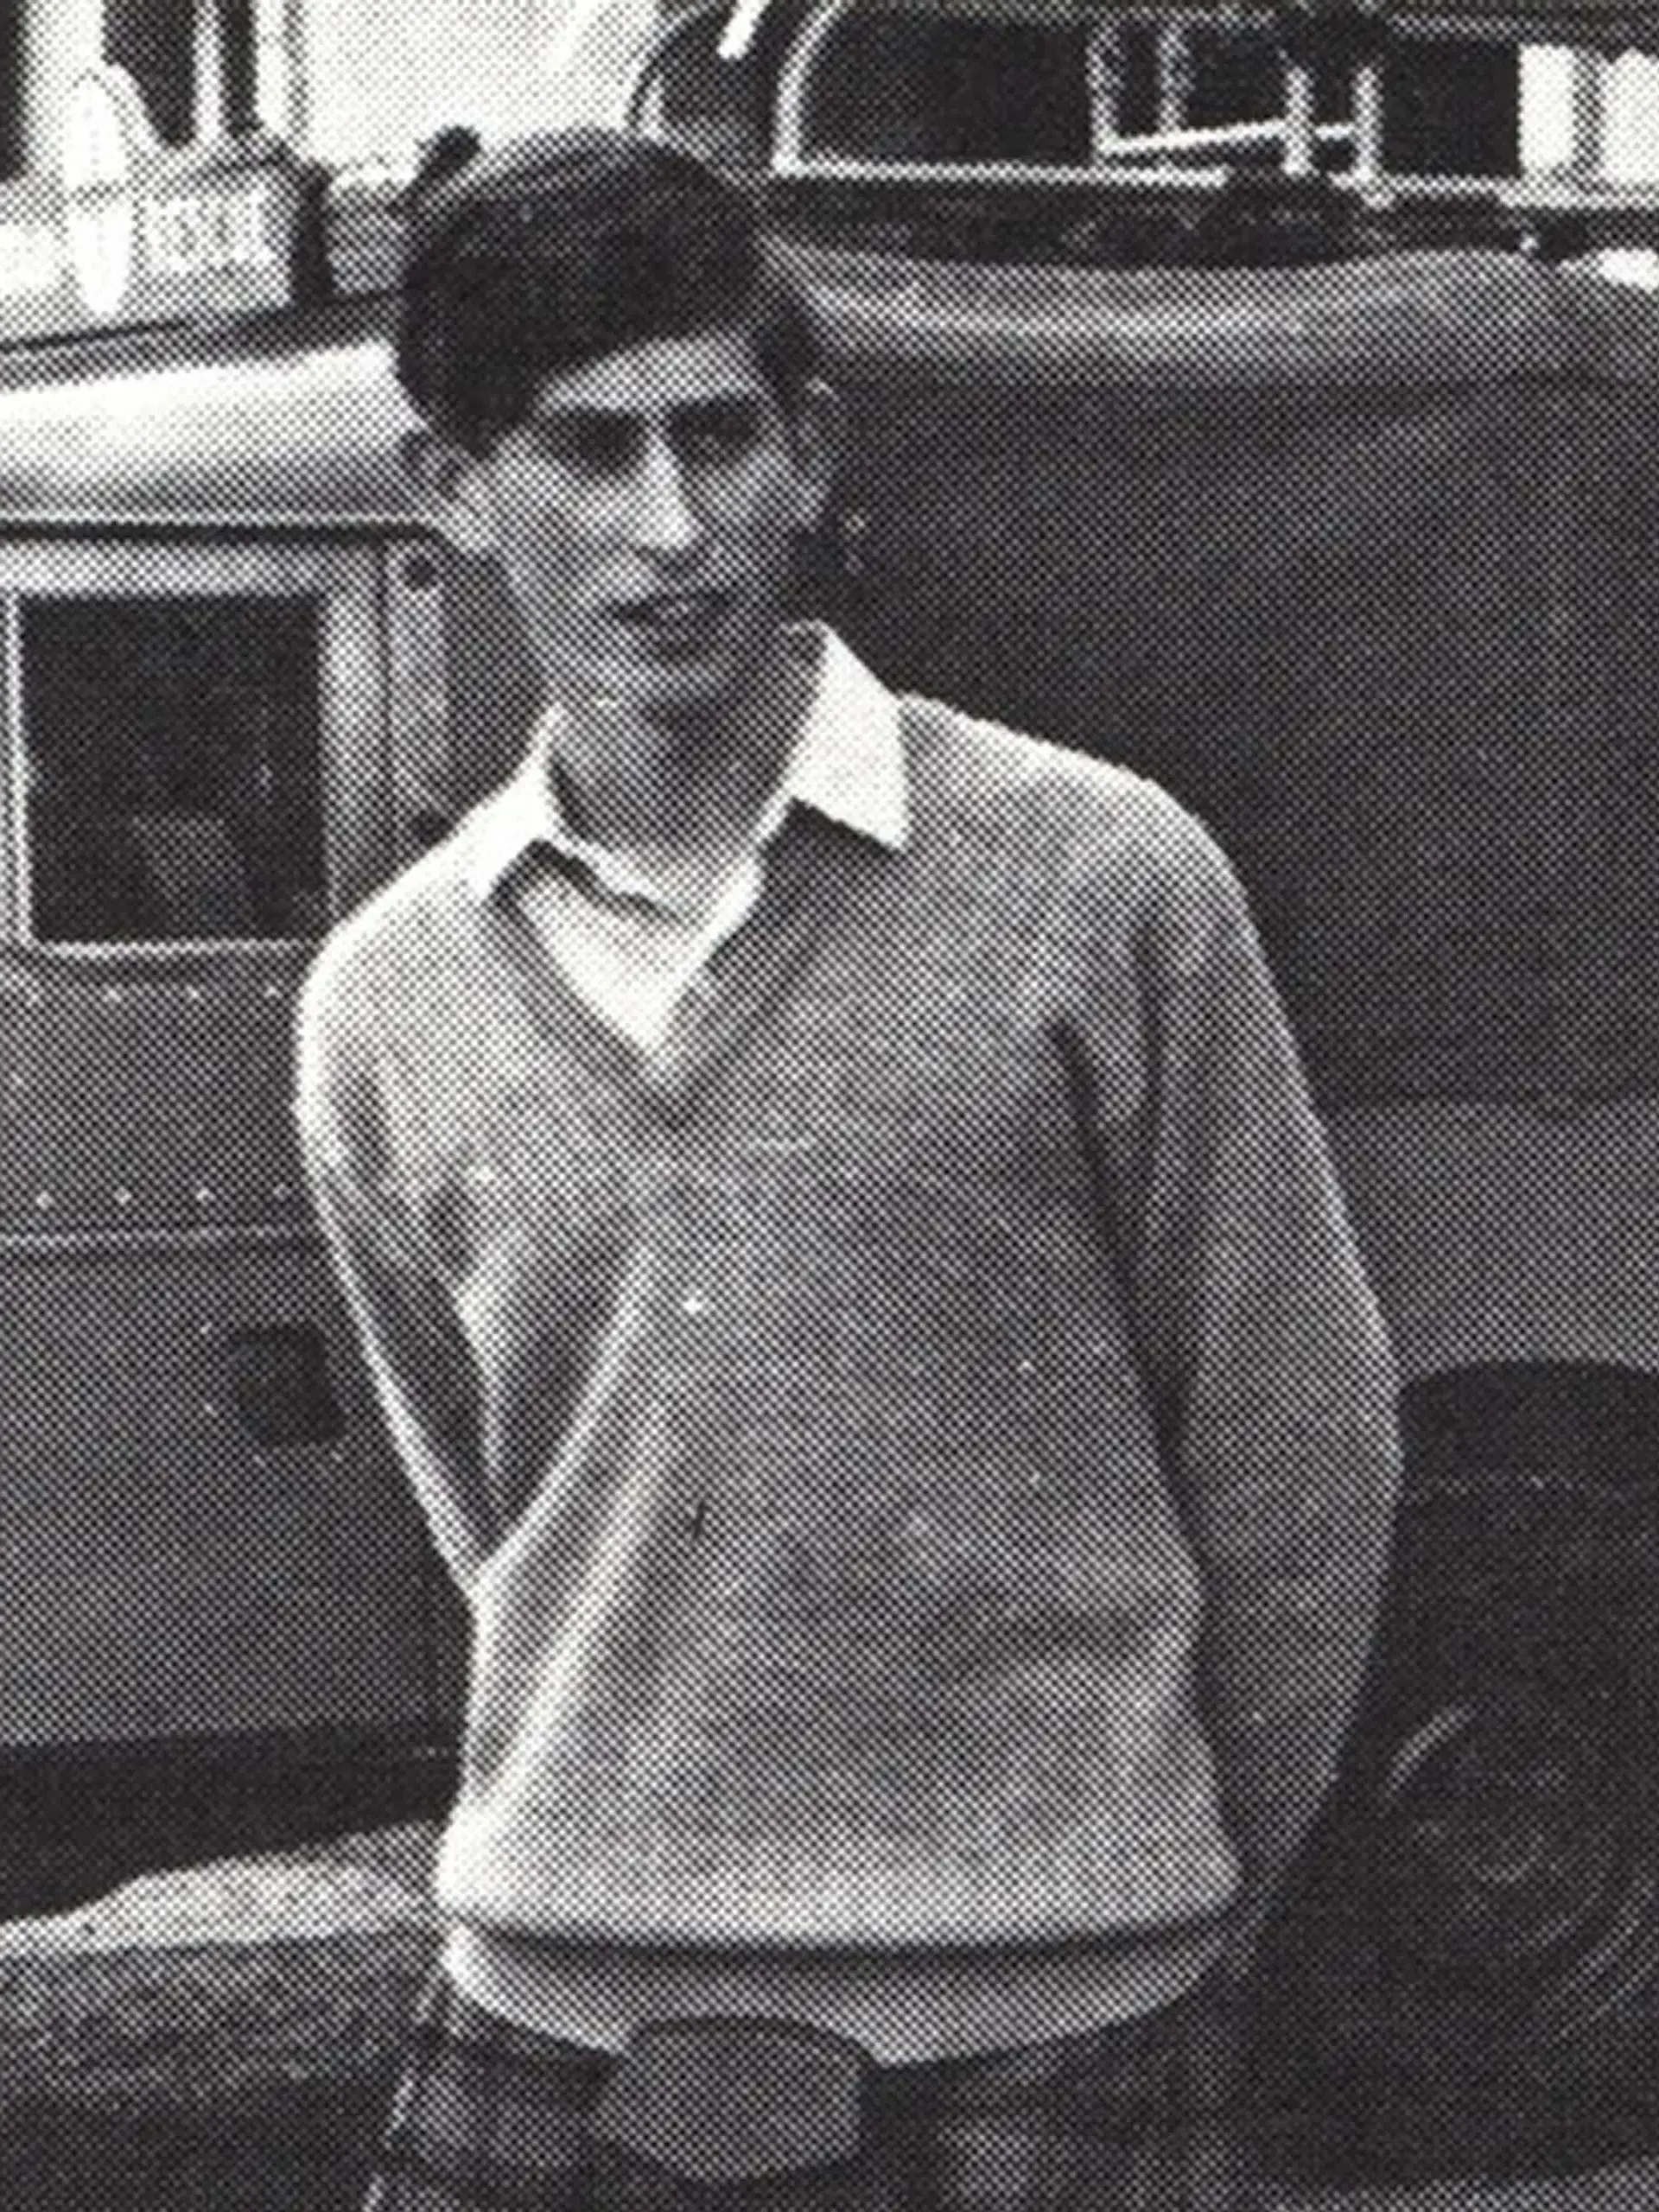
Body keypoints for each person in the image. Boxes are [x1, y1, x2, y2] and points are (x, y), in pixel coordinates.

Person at [295, 125, 1400, 2212]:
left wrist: (1150, 1888)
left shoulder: (1104, 883)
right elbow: (507, 1499)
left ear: (809, 450)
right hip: (556, 1995)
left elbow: (1295, 1446)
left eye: (719, 437)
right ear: (449, 489)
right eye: (584, 450)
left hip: (1056, 2010)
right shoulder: (384, 999)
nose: (672, 526)